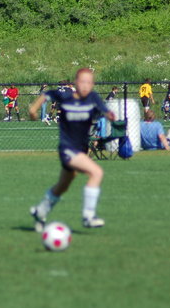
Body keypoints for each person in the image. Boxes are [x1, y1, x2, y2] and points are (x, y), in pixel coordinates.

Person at [28, 68, 115, 231]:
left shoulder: (93, 98)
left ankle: (40, 212)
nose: (85, 85)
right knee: (96, 173)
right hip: (67, 148)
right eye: (82, 81)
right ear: (75, 83)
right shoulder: (66, 96)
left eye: (89, 82)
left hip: (81, 149)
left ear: (93, 84)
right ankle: (88, 216)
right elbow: (46, 94)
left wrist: (109, 115)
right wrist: (33, 109)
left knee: (63, 185)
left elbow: (105, 110)